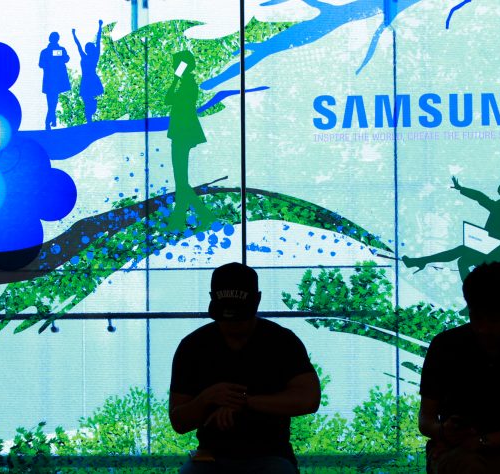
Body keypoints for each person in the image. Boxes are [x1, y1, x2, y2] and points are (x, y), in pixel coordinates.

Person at [169, 262, 321, 473]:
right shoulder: (193, 346)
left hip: (270, 454)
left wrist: (242, 402)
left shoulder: (281, 342)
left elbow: (309, 400)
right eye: (225, 315)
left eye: (239, 315)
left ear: (257, 300)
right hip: (211, 456)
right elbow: (179, 422)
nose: (232, 323)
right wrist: (208, 398)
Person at [418, 262, 500, 474]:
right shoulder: (444, 345)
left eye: (493, 320)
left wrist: (470, 441)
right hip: (458, 449)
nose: (483, 328)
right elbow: (426, 420)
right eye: (477, 317)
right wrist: (444, 433)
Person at [403, 177, 500, 280]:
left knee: (462, 255)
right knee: (462, 260)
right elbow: (481, 197)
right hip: (496, 251)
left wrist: (462, 189)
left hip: (494, 252)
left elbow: (481, 197)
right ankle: (422, 261)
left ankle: (422, 261)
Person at [165, 50, 216, 231]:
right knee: (181, 179)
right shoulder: (185, 83)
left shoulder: (189, 85)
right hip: (181, 134)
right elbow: (168, 99)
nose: (173, 67)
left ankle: (193, 216)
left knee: (180, 178)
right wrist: (175, 78)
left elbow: (170, 100)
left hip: (182, 134)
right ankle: (190, 217)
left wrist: (176, 78)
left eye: (176, 64)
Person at [72, 20, 104, 123]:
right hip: (86, 79)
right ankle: (89, 118)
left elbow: (98, 40)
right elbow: (78, 45)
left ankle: (90, 114)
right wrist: (74, 35)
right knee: (87, 99)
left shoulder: (94, 57)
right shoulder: (84, 57)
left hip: (90, 79)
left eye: (88, 47)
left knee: (88, 99)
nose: (86, 49)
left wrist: (100, 26)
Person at [39, 32, 71, 130]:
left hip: (56, 79)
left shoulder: (60, 50)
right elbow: (41, 64)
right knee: (52, 102)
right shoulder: (45, 52)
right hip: (50, 79)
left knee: (53, 101)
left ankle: (50, 120)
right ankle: (51, 119)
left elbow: (66, 58)